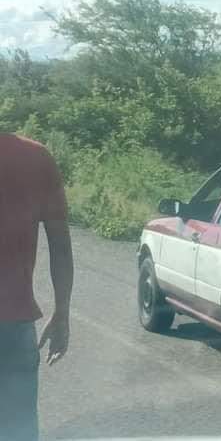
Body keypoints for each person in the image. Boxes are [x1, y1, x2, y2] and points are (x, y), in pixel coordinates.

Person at [0, 133, 74, 441]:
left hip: (14, 327)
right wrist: (62, 313)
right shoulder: (35, 157)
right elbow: (60, 243)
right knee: (18, 431)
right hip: (13, 327)